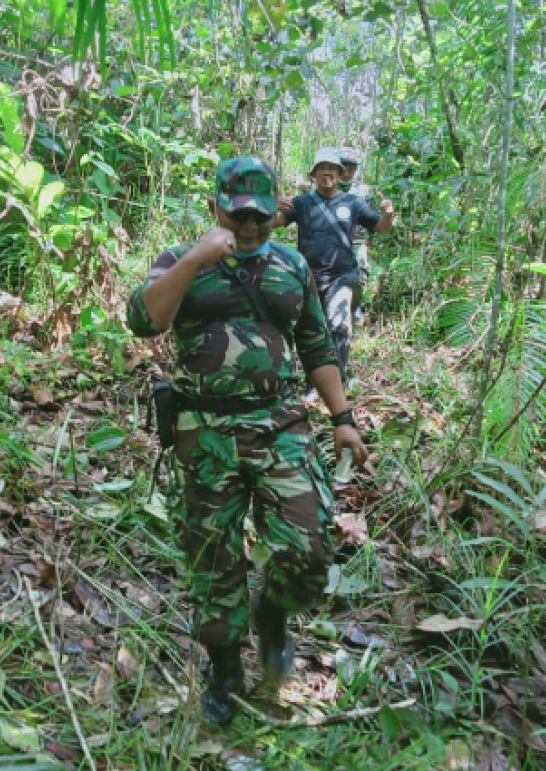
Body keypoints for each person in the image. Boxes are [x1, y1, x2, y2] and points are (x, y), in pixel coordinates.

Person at [125, 157, 369, 728]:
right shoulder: (184, 261)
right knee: (214, 560)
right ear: (217, 208)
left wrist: (343, 417)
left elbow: (316, 346)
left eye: (261, 215)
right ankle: (225, 669)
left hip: (281, 426)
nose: (251, 226)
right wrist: (194, 259)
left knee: (309, 550)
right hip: (205, 431)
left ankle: (273, 612)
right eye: (239, 216)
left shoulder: (291, 265)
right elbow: (143, 320)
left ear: (275, 208)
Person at [273, 147, 394, 388]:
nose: (326, 173)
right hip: (309, 277)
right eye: (321, 168)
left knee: (338, 325)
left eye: (332, 169)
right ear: (313, 174)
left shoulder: (353, 203)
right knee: (311, 331)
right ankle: (313, 383)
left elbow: (382, 228)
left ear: (340, 173)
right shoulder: (302, 202)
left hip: (342, 275)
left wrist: (388, 214)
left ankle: (336, 381)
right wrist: (270, 204)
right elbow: (273, 223)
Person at [337, 146, 373, 325]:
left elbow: (372, 217)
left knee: (360, 277)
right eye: (344, 167)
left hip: (357, 242)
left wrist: (370, 240)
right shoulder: (328, 188)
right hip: (333, 242)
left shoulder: (364, 191)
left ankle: (355, 308)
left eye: (351, 168)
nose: (347, 172)